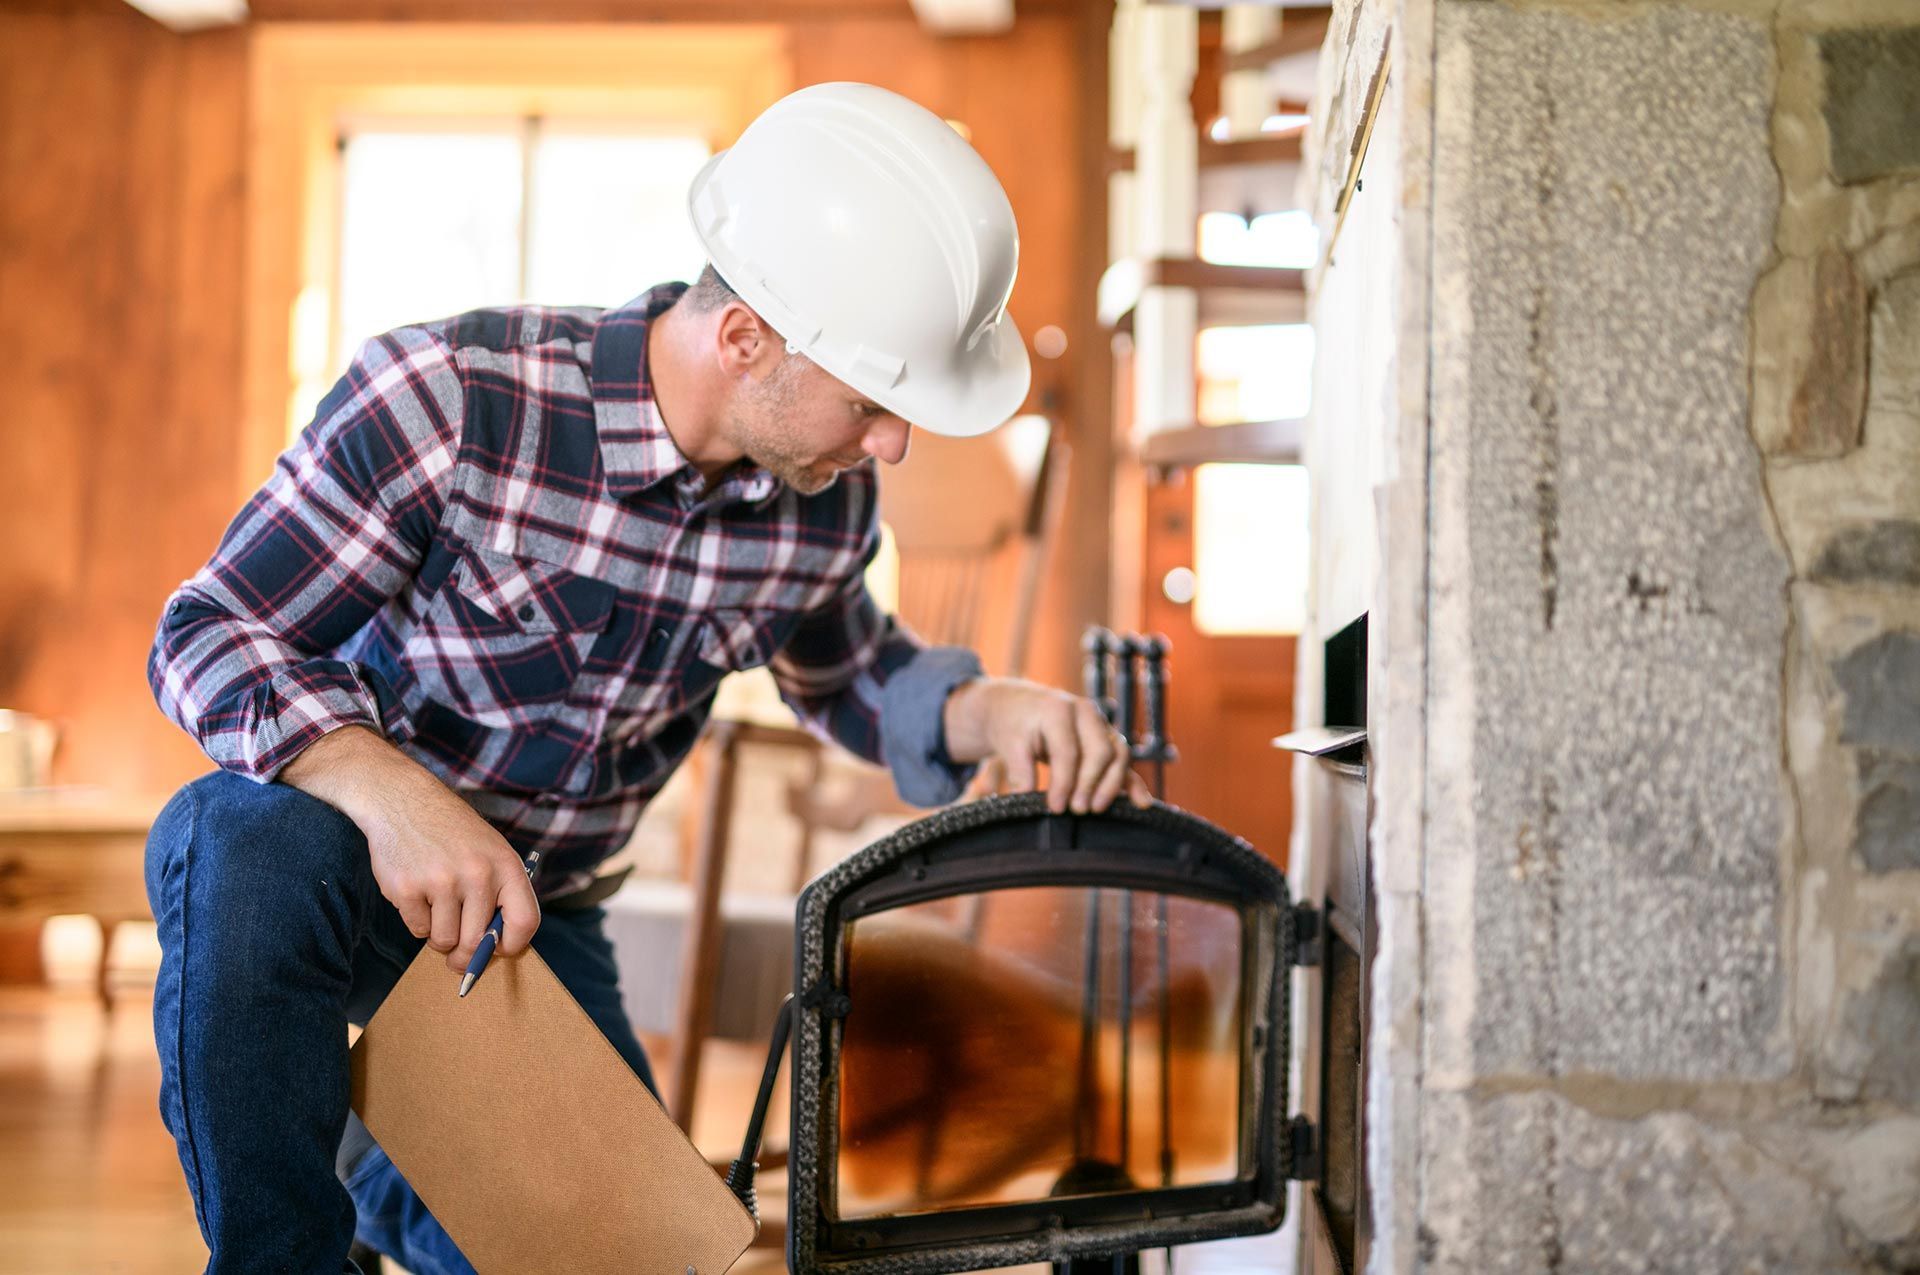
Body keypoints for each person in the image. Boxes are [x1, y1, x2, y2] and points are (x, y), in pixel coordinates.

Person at [143, 82, 1147, 1274]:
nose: (892, 443)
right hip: (354, 869)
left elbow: (848, 675)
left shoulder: (817, 502)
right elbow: (207, 633)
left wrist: (991, 708)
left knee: (635, 1263)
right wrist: (386, 788)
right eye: (873, 402)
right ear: (745, 339)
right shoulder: (453, 398)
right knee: (240, 835)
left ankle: (395, 1163)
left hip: (529, 928)